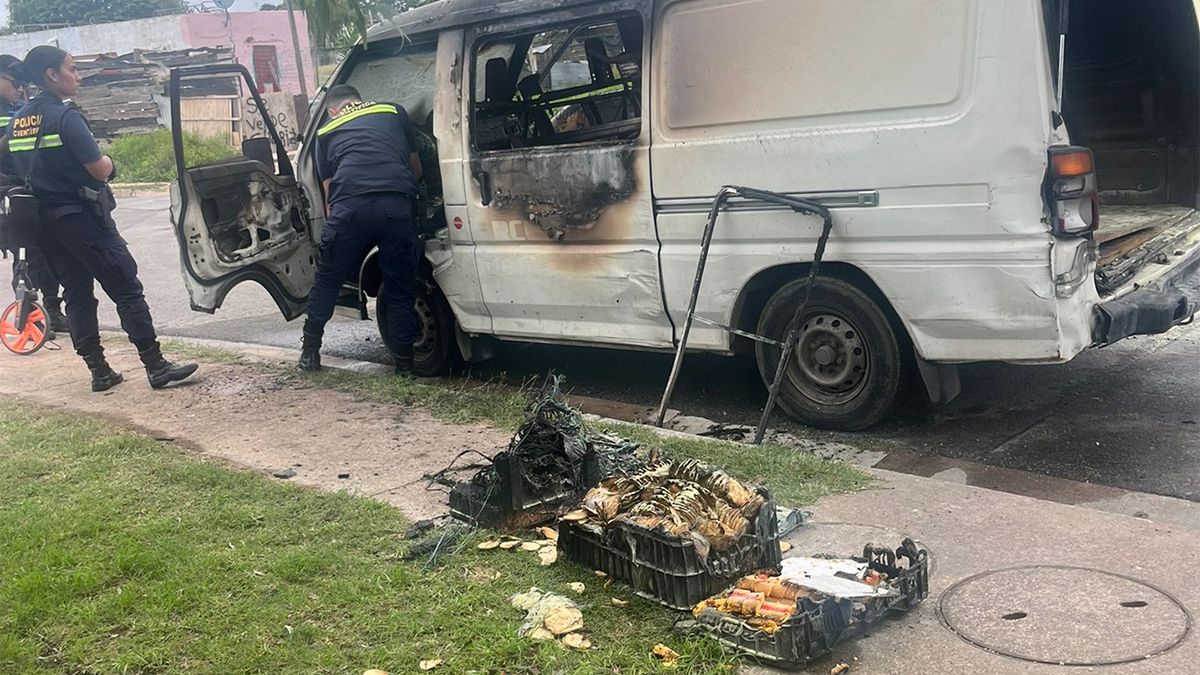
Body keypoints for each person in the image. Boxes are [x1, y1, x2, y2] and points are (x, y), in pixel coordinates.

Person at [7, 46, 197, 391]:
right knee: (126, 288)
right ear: (51, 75)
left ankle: (99, 371)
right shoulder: (65, 117)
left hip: (45, 226)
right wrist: (111, 162)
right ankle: (156, 366)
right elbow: (97, 168)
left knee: (77, 293)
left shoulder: (20, 120)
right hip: (83, 219)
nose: (77, 76)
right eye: (72, 69)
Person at [300, 84, 423, 374]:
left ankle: (309, 353)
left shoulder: (325, 131)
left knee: (327, 281)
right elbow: (414, 167)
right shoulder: (392, 110)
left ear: (333, 109)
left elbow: (329, 194)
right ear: (359, 100)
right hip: (395, 204)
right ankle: (404, 365)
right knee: (399, 285)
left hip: (349, 209)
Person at [0, 53, 68, 336]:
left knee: (49, 250)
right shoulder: (15, 113)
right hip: (8, 193)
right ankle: (29, 315)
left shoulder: (20, 106)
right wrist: (19, 126)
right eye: (15, 82)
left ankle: (53, 310)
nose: (20, 89)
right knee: (26, 253)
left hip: (33, 188)